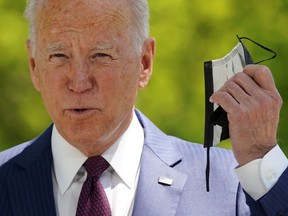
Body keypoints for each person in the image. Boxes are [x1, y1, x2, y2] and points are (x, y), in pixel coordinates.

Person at [0, 0, 287, 215]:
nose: (79, 82)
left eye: (101, 55)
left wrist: (263, 160)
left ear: (144, 63)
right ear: (34, 66)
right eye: (59, 55)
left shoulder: (230, 184)